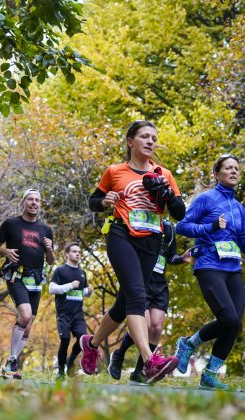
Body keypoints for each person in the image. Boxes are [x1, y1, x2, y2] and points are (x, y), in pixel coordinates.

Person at [82, 120, 185, 384]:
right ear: (131, 142)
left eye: (154, 137)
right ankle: (150, 361)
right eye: (144, 137)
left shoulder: (164, 174)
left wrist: (167, 195)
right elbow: (94, 201)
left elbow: (179, 213)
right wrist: (104, 201)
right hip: (121, 235)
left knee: (124, 304)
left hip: (152, 241)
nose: (150, 141)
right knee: (138, 298)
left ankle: (91, 344)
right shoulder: (115, 172)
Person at [174, 155, 245, 390]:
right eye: (228, 168)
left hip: (233, 266)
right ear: (217, 174)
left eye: (236, 168)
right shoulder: (206, 199)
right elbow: (181, 226)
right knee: (228, 318)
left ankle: (209, 375)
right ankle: (188, 344)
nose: (233, 171)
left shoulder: (239, 208)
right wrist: (210, 226)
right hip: (209, 264)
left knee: (234, 323)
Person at [108, 219, 190, 385]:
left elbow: (170, 257)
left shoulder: (168, 227)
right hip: (140, 281)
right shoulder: (137, 220)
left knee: (156, 327)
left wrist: (181, 258)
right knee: (143, 324)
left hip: (159, 285)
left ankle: (140, 372)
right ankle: (119, 354)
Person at [0, 188, 55, 380]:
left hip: (36, 279)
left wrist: (49, 249)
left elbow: (51, 260)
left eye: (37, 200)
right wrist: (5, 252)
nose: (34, 203)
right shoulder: (11, 224)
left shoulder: (46, 230)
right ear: (24, 202)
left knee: (28, 326)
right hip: (16, 275)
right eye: (30, 199)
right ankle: (12, 361)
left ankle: (10, 364)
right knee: (25, 315)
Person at [49, 242, 93, 379]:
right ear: (67, 254)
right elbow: (52, 289)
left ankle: (70, 361)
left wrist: (89, 291)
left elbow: (81, 291)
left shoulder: (82, 272)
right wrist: (70, 285)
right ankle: (61, 371)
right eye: (74, 251)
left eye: (79, 252)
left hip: (78, 315)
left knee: (83, 340)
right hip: (63, 313)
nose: (78, 254)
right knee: (65, 339)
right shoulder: (60, 270)